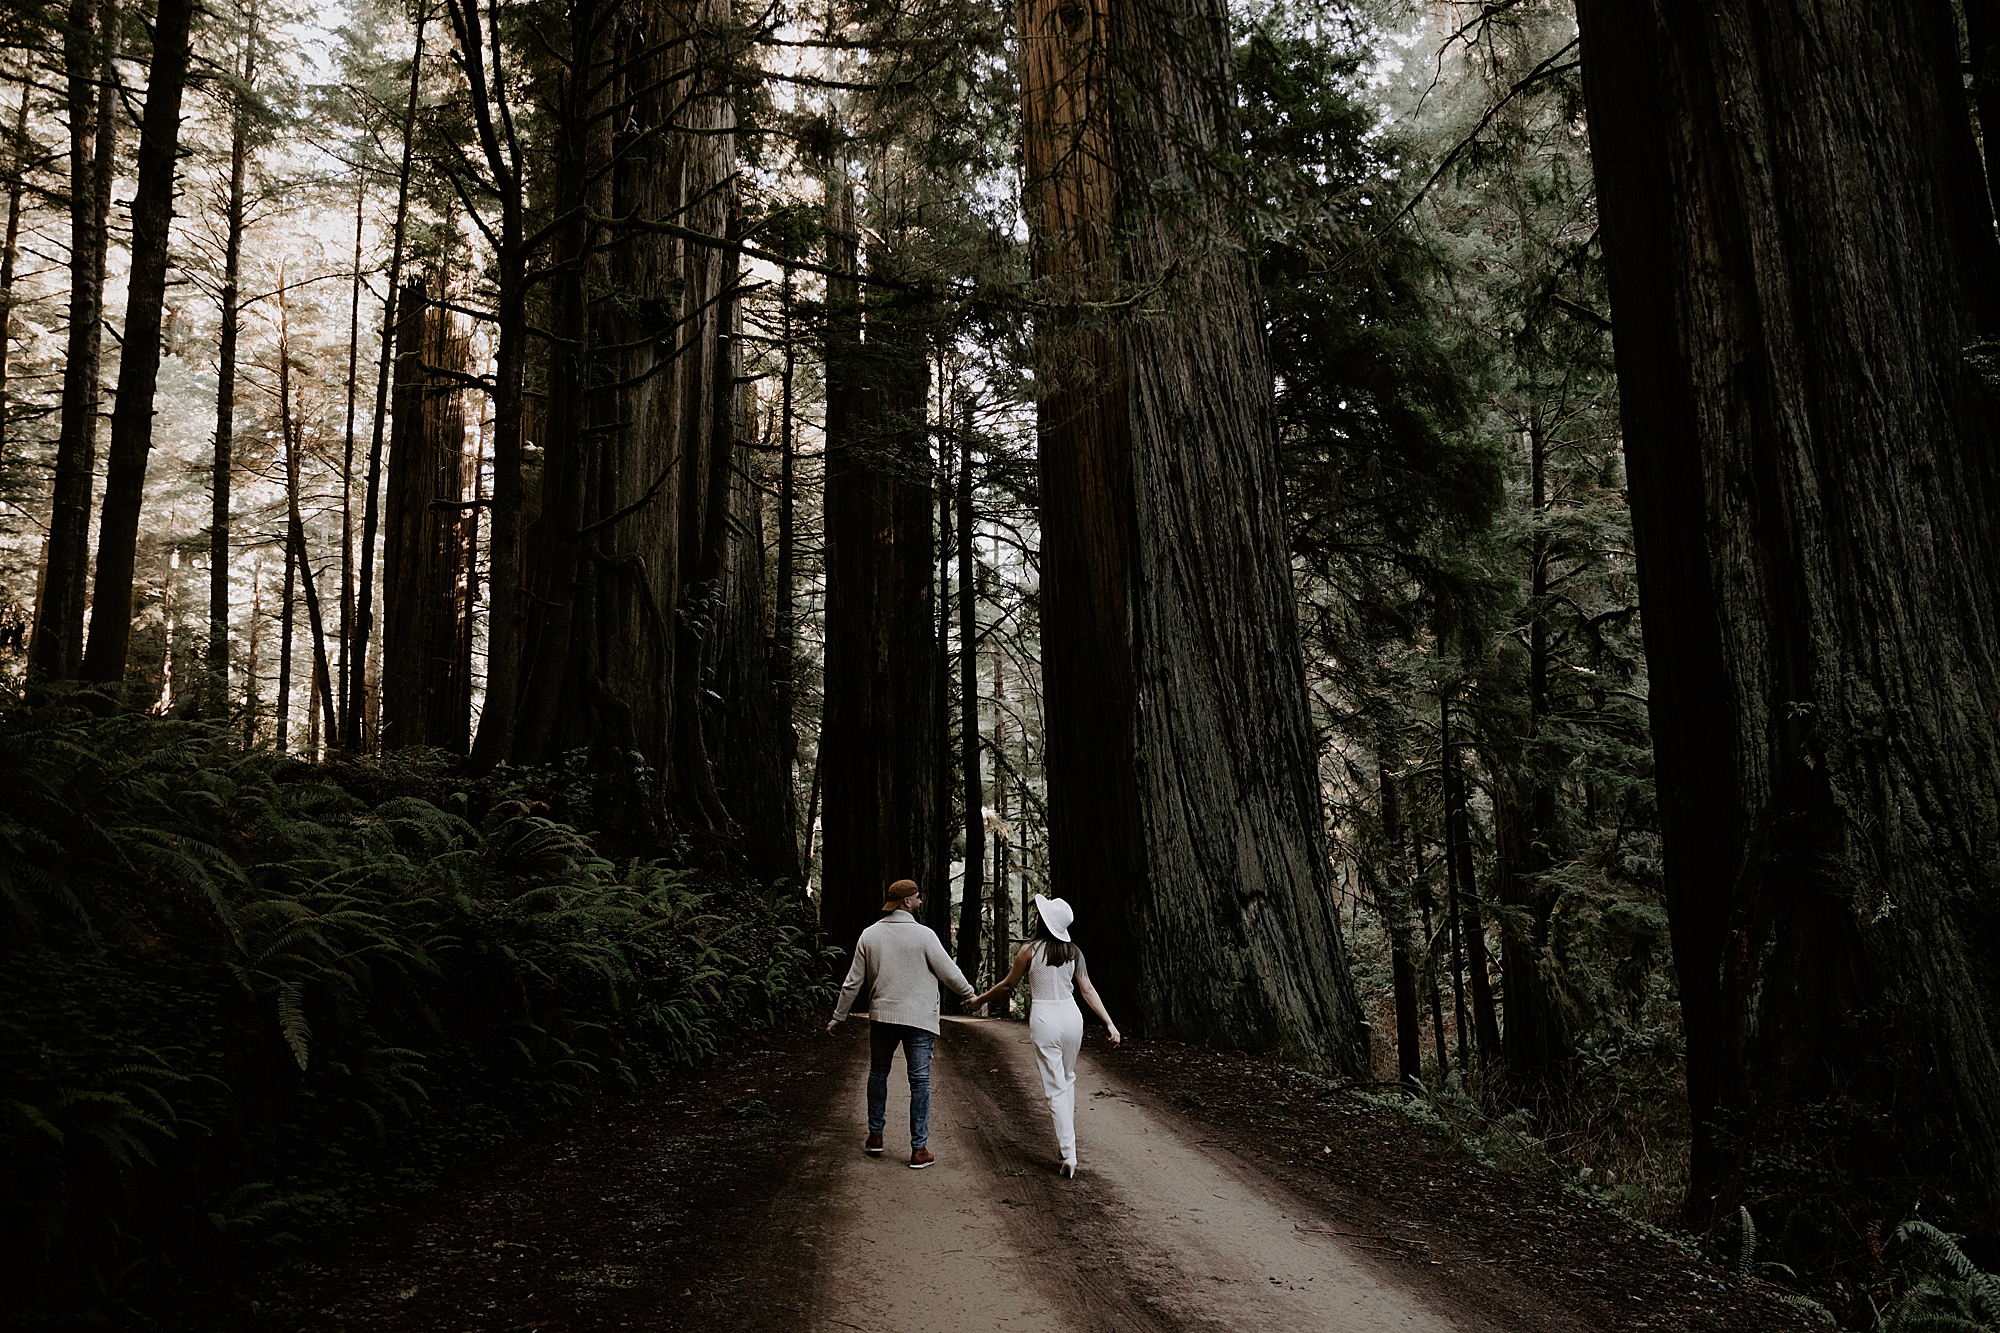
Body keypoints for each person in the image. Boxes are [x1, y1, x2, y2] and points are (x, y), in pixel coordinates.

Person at [826, 878, 978, 1169]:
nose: (920, 901)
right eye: (917, 897)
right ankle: (919, 1150)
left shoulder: (869, 935)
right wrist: (969, 995)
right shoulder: (924, 936)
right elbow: (948, 971)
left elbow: (852, 982)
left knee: (878, 1073)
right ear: (906, 901)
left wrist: (838, 1015)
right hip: (919, 1019)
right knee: (919, 1081)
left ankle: (875, 1136)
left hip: (883, 1017)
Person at [967, 894, 1120, 1178]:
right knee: (1067, 1079)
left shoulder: (1029, 951)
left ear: (1044, 922)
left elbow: (1007, 986)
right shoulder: (1074, 952)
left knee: (1054, 1087)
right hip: (1072, 1017)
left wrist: (978, 1001)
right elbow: (1087, 990)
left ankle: (1069, 1153)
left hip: (1044, 1017)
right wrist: (1109, 1023)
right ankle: (1065, 1145)